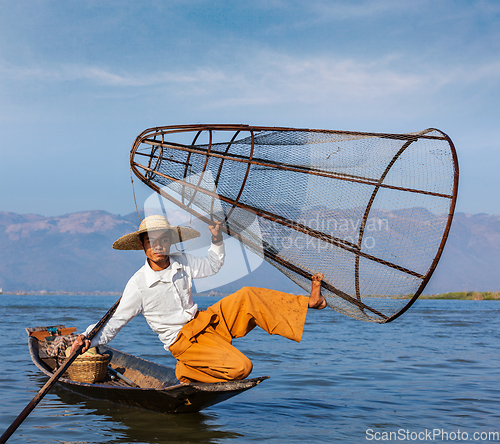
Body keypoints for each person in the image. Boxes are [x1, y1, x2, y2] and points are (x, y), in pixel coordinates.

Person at [72, 214, 326, 383]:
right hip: (185, 342)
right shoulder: (138, 284)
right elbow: (114, 321)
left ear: (170, 242)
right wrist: (87, 339)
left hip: (205, 322)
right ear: (143, 246)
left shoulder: (181, 261)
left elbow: (212, 265)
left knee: (248, 295)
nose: (158, 247)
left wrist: (216, 240)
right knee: (242, 368)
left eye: (163, 240)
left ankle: (309, 302)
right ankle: (187, 369)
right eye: (151, 242)